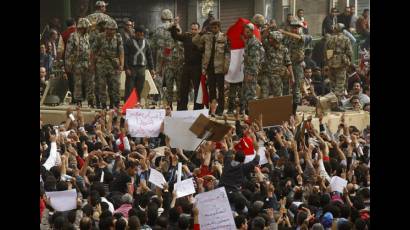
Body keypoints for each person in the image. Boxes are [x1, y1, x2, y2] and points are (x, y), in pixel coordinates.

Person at [194, 20, 230, 115]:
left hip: (220, 68)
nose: (214, 29)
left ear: (219, 27)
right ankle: (212, 109)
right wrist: (201, 32)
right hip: (209, 67)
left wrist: (226, 66)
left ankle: (220, 109)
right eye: (212, 27)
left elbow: (227, 53)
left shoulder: (224, 37)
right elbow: (195, 41)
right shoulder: (206, 36)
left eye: (215, 27)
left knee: (221, 90)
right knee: (212, 89)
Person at [279, 19, 312, 113]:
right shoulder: (286, 38)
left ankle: (293, 111)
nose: (295, 29)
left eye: (297, 27)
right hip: (286, 65)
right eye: (293, 27)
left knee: (296, 87)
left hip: (297, 66)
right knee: (285, 86)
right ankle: (285, 109)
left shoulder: (303, 36)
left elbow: (298, 37)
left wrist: (284, 32)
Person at [151, 9, 182, 109]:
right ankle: (178, 105)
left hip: (160, 56)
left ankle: (162, 101)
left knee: (159, 77)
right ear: (170, 17)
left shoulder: (157, 28)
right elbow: (180, 42)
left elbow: (153, 45)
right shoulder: (176, 27)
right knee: (174, 81)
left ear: (161, 18)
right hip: (172, 57)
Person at [90, 19, 124, 109]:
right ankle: (103, 105)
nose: (112, 31)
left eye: (113, 29)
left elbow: (121, 52)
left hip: (114, 65)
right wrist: (92, 65)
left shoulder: (118, 37)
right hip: (101, 64)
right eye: (110, 29)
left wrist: (121, 64)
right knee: (101, 85)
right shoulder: (100, 37)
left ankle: (115, 104)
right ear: (106, 29)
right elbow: (93, 52)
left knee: (115, 85)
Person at [170, 19, 203, 110]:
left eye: (195, 29)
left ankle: (198, 108)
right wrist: (174, 25)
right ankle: (182, 108)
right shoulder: (187, 37)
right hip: (187, 66)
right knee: (183, 87)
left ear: (199, 30)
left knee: (197, 89)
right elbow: (175, 36)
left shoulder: (202, 38)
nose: (193, 31)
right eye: (192, 29)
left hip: (197, 66)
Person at [65, 18, 94, 107]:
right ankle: (78, 101)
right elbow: (68, 51)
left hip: (87, 62)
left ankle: (90, 100)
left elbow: (90, 49)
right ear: (82, 27)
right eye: (87, 27)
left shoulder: (87, 36)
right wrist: (68, 65)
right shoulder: (73, 36)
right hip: (77, 63)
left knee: (90, 82)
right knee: (78, 83)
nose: (88, 29)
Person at [124, 25, 155, 101]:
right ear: (135, 33)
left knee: (139, 88)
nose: (141, 35)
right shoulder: (129, 41)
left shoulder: (146, 42)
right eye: (139, 34)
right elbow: (125, 56)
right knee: (129, 88)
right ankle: (128, 105)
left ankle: (136, 104)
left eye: (142, 34)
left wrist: (152, 69)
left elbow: (149, 56)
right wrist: (126, 68)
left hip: (142, 68)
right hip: (132, 68)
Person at [324, 23, 353, 106]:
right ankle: (336, 105)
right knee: (340, 86)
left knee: (332, 85)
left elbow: (325, 52)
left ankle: (331, 104)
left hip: (331, 63)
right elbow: (350, 53)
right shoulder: (346, 39)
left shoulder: (329, 39)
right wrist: (348, 62)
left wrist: (328, 62)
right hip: (341, 65)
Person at [260, 31, 293, 99]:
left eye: (272, 38)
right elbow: (261, 38)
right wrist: (268, 28)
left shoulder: (284, 50)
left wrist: (292, 77)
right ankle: (264, 109)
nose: (269, 40)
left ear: (277, 39)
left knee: (278, 97)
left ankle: (276, 109)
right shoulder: (267, 46)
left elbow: (288, 63)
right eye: (270, 38)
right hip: (266, 75)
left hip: (277, 76)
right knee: (264, 96)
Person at [241, 23, 264, 114]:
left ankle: (250, 112)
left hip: (251, 71)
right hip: (247, 70)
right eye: (244, 32)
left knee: (251, 92)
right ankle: (246, 111)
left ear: (251, 31)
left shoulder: (254, 43)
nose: (245, 33)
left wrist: (251, 73)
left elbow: (255, 60)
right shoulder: (249, 41)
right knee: (246, 91)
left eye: (247, 32)